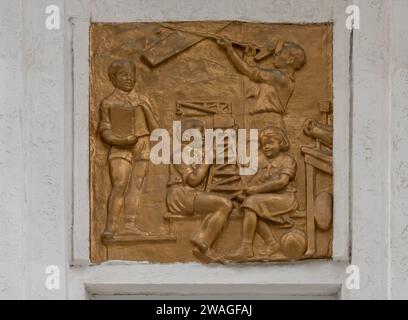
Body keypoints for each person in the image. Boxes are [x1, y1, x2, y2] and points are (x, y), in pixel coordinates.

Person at [99, 59, 159, 241]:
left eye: (131, 75)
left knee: (136, 185)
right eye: (123, 75)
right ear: (113, 79)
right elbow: (104, 130)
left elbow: (156, 129)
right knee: (119, 184)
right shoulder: (108, 103)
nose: (128, 78)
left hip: (142, 144)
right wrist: (121, 140)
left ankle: (129, 225)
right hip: (120, 147)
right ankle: (110, 227)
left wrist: (145, 107)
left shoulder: (143, 99)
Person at [166, 118, 233, 260]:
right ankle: (203, 242)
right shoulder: (179, 154)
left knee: (224, 202)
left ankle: (201, 242)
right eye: (198, 133)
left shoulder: (197, 152)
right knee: (224, 204)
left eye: (203, 133)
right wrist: (207, 160)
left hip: (191, 194)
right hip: (181, 196)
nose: (203, 136)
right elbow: (193, 181)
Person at [228, 126, 298, 260]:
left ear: (281, 143)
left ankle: (246, 247)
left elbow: (281, 183)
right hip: (264, 198)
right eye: (264, 144)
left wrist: (255, 190)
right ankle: (272, 243)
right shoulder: (260, 159)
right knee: (247, 203)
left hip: (284, 198)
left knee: (251, 203)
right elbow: (251, 180)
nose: (266, 147)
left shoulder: (288, 160)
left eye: (270, 143)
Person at [216, 36, 306, 129]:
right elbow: (253, 79)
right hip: (261, 120)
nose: (276, 54)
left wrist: (229, 49)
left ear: (290, 60)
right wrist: (249, 57)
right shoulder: (282, 77)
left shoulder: (279, 77)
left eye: (281, 52)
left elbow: (249, 71)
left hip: (269, 123)